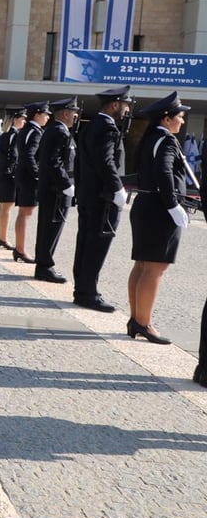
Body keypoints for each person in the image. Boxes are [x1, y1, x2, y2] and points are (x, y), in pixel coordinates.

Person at [126, 92, 191, 345]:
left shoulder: (152, 137)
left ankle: (136, 320)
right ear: (167, 119)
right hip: (158, 209)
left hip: (147, 206)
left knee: (142, 265)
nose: (182, 122)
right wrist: (173, 205)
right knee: (155, 268)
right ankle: (144, 323)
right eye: (180, 117)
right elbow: (164, 172)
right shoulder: (164, 141)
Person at [71, 86, 133, 311]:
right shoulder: (107, 129)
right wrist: (117, 189)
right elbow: (106, 162)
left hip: (88, 195)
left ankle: (82, 289)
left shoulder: (90, 126)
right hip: (102, 198)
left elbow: (80, 162)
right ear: (115, 104)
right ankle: (88, 293)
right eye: (125, 105)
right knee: (97, 245)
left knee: (85, 243)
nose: (126, 110)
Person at [33, 96, 80, 283]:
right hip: (56, 191)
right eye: (74, 113)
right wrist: (65, 184)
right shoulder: (59, 132)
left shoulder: (55, 130)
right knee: (51, 228)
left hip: (54, 189)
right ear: (66, 113)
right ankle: (45, 266)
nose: (76, 116)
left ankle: (44, 264)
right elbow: (54, 162)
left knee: (50, 227)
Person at [10, 101, 51, 264]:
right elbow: (29, 156)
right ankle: (20, 250)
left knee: (24, 213)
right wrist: (38, 175)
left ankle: (19, 248)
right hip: (29, 178)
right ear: (38, 115)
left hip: (24, 175)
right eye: (45, 114)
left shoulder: (29, 130)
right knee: (26, 213)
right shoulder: (34, 132)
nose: (48, 117)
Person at [0, 108, 27, 250]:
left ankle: (2, 237)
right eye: (23, 118)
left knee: (4, 206)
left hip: (4, 173)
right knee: (7, 206)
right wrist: (15, 172)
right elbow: (13, 155)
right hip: (9, 175)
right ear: (15, 119)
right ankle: (3, 238)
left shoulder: (6, 134)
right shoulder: (14, 134)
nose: (25, 121)